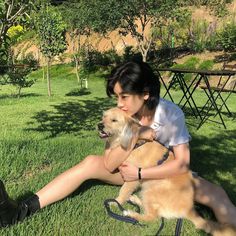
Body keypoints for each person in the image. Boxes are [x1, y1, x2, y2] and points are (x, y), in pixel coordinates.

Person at [0, 61, 236, 228]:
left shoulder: (171, 115)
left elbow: (182, 164)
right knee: (90, 163)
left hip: (164, 172)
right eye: (116, 97)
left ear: (145, 94)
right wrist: (136, 135)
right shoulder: (119, 116)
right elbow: (109, 163)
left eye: (124, 97)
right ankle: (20, 211)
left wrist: (141, 172)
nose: (119, 103)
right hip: (128, 171)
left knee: (216, 192)